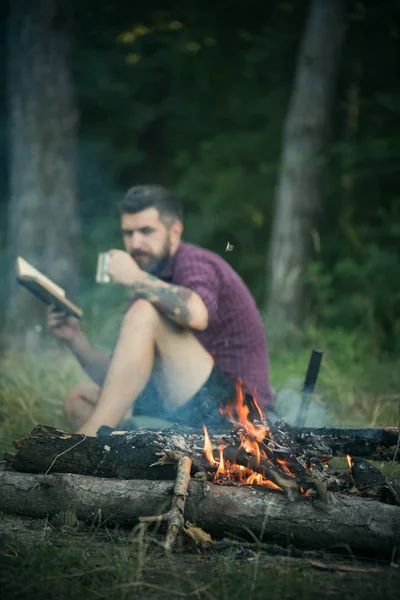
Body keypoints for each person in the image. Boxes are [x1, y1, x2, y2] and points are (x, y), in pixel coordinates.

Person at [48, 185, 274, 436]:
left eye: (146, 231)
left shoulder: (194, 262)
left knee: (146, 311)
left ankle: (87, 438)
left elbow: (197, 314)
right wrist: (74, 338)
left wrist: (134, 277)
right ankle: (113, 458)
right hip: (183, 407)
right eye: (128, 233)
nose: (135, 243)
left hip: (238, 413)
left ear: (175, 231)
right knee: (80, 399)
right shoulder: (152, 281)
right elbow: (122, 380)